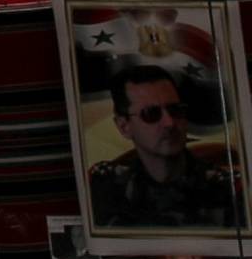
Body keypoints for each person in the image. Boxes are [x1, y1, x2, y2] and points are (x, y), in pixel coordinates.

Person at [87, 66, 239, 232]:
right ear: (124, 127)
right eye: (151, 113)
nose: (169, 123)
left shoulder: (229, 189)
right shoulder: (104, 184)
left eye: (175, 110)